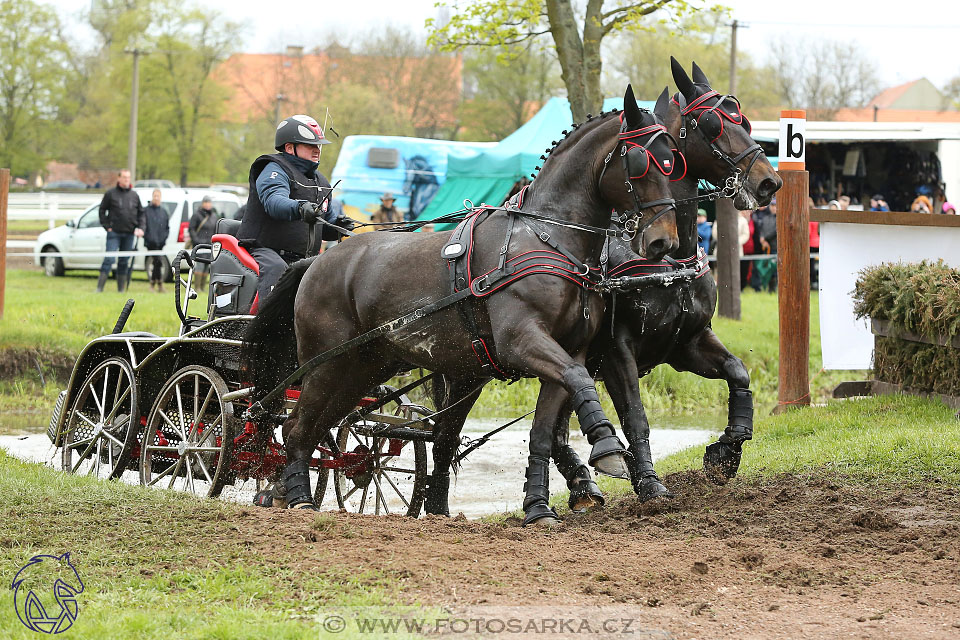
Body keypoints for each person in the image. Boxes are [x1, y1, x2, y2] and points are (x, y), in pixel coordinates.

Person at [236, 114, 353, 305]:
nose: (317, 150)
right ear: (290, 148)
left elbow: (325, 228)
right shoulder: (274, 169)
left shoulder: (321, 182)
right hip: (263, 250)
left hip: (303, 258)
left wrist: (338, 225)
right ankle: (267, 331)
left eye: (319, 145)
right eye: (310, 145)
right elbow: (274, 202)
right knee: (278, 270)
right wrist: (300, 208)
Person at [97, 169, 144, 292]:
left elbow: (141, 214)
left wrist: (141, 228)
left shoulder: (134, 195)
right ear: (119, 178)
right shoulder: (111, 194)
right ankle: (99, 288)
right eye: (124, 177)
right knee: (109, 259)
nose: (126, 179)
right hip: (114, 233)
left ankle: (121, 290)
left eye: (128, 177)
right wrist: (107, 226)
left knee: (124, 261)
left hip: (129, 233)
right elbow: (102, 210)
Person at [189, 196, 222, 291]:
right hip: (199, 246)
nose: (207, 204)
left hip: (210, 245)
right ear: (202, 203)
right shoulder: (196, 215)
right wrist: (196, 240)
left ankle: (202, 287)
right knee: (199, 266)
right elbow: (191, 229)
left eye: (209, 202)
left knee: (206, 267)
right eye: (206, 202)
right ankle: (197, 287)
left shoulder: (214, 216)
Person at [143, 189, 169, 293]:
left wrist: (163, 239)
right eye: (155, 196)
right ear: (152, 196)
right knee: (157, 262)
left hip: (160, 242)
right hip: (150, 242)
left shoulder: (163, 212)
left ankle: (155, 284)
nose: (156, 198)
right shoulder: (146, 211)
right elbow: (144, 225)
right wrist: (148, 238)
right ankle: (158, 284)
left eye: (158, 196)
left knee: (157, 263)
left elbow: (166, 227)